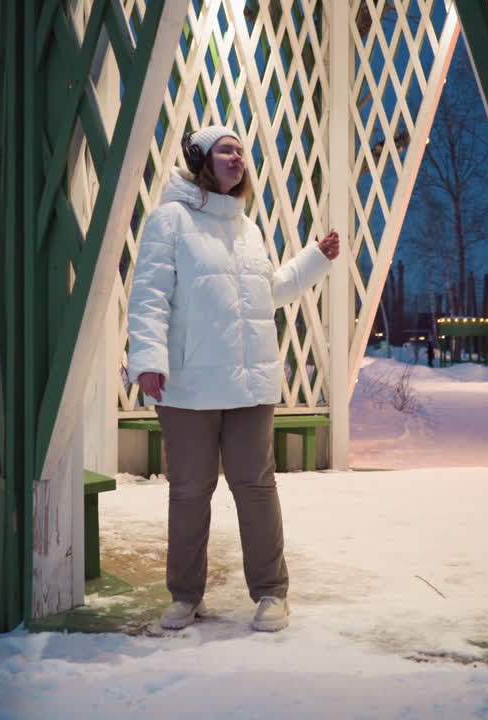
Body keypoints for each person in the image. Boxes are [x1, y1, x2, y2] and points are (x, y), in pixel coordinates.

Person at [125, 125, 340, 632]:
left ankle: (270, 593)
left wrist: (315, 260)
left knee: (256, 486)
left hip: (249, 384)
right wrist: (149, 358)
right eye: (226, 149)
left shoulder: (247, 229)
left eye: (242, 150)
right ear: (199, 158)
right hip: (189, 386)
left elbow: (270, 291)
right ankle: (184, 596)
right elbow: (150, 293)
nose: (238, 157)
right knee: (190, 490)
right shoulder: (170, 221)